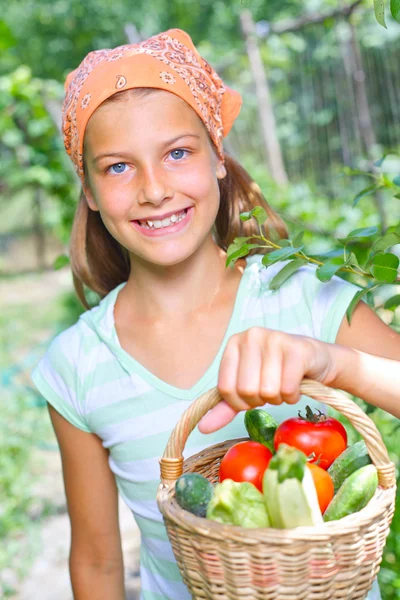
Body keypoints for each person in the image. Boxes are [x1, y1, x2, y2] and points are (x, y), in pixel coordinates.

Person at [31, 28, 399, 600]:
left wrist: (333, 361)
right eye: (118, 167)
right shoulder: (78, 366)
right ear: (91, 190)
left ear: (218, 158)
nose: (154, 189)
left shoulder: (303, 297)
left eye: (178, 153)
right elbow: (99, 563)